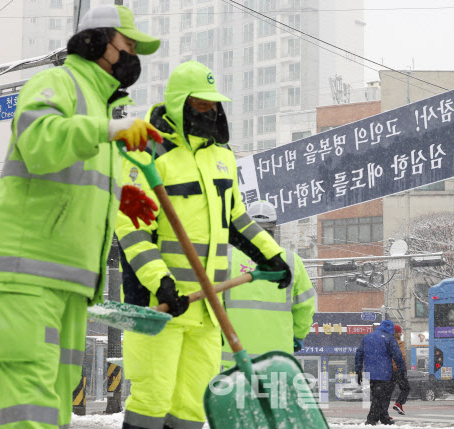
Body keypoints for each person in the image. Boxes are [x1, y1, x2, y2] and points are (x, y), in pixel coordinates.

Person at [0, 5, 161, 428]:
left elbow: (78, 185)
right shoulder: (55, 83)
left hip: (71, 283)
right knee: (32, 404)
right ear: (98, 41)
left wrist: (124, 197)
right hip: (28, 275)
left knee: (55, 409)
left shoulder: (98, 109)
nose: (133, 56)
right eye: (127, 45)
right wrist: (109, 131)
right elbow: (42, 144)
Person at [115, 60, 291, 429]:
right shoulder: (147, 152)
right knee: (152, 399)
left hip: (209, 307)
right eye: (200, 104)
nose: (210, 111)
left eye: (213, 104)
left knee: (193, 407)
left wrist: (271, 256)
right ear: (180, 103)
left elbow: (236, 219)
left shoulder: (222, 157)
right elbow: (131, 229)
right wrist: (161, 283)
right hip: (159, 306)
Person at [221, 200, 316, 369]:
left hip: (235, 360)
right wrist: (299, 336)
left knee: (237, 396)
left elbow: (213, 306)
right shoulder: (291, 261)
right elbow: (305, 306)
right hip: (278, 361)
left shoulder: (227, 259)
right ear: (274, 228)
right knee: (273, 396)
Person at [355, 319, 406, 426]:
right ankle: (371, 419)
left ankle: (384, 418)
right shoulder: (389, 338)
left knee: (377, 395)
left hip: (371, 373)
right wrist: (402, 370)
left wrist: (358, 370)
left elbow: (359, 354)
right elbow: (397, 356)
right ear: (390, 329)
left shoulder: (367, 337)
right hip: (385, 373)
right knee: (383, 397)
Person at [391, 324, 411, 416]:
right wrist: (404, 370)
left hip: (389, 370)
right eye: (400, 333)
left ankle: (383, 413)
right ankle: (399, 403)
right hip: (398, 369)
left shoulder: (388, 341)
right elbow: (402, 357)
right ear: (397, 333)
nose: (401, 335)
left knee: (387, 392)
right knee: (406, 388)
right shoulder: (400, 343)